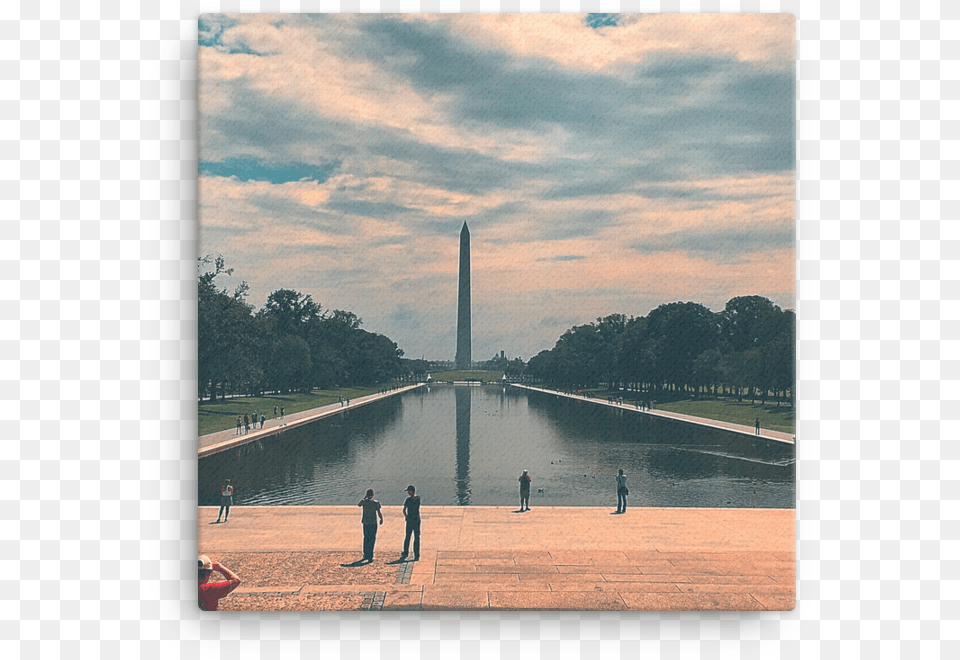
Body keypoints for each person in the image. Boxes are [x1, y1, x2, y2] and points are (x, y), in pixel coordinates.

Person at [357, 488, 383, 562]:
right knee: (372, 538)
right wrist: (381, 519)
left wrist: (364, 497)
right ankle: (370, 555)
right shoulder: (375, 503)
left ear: (367, 495)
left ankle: (365, 554)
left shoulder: (364, 502)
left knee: (366, 538)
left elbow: (359, 504)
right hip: (373, 523)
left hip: (365, 522)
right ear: (373, 495)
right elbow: (379, 512)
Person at [400, 484, 421, 561]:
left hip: (410, 520)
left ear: (411, 491)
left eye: (408, 491)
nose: (408, 493)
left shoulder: (408, 500)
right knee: (417, 537)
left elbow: (404, 510)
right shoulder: (418, 498)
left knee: (408, 536)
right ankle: (417, 554)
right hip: (417, 520)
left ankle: (406, 552)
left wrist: (406, 516)